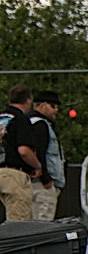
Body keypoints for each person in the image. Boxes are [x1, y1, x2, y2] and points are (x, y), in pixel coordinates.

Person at [0, 84, 42, 221]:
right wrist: (37, 165)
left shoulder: (2, 118)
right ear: (28, 100)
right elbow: (24, 151)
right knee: (19, 221)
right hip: (14, 174)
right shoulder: (21, 119)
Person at [30, 90, 66, 221]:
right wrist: (46, 179)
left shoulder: (29, 123)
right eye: (53, 106)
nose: (56, 110)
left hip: (33, 183)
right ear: (41, 105)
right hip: (42, 185)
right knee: (43, 222)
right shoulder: (40, 125)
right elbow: (39, 152)